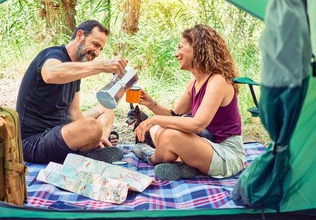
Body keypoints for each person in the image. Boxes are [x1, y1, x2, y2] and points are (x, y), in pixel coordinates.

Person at [132, 24, 245, 181]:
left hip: (227, 154)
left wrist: (152, 119)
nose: (176, 54)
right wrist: (151, 103)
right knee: (159, 129)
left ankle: (152, 157)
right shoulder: (194, 82)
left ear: (198, 48)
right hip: (206, 143)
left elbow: (197, 124)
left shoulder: (218, 80)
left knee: (169, 135)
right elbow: (175, 116)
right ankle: (185, 165)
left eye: (180, 47)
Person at [16, 20, 127, 164]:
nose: (97, 53)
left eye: (101, 49)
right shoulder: (53, 54)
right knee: (93, 127)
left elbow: (73, 113)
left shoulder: (76, 68)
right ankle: (92, 149)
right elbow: (50, 74)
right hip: (32, 142)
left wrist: (92, 136)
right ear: (80, 35)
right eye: (95, 45)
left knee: (106, 111)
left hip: (59, 130)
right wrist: (101, 66)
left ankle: (100, 146)